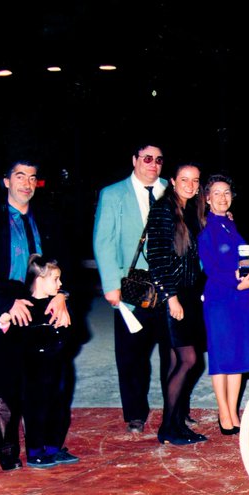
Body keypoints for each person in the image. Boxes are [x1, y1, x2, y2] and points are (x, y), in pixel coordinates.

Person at [0, 160, 73, 470]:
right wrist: (7, 302)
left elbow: (66, 265)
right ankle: (9, 454)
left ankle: (46, 448)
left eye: (32, 177)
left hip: (44, 309)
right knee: (6, 387)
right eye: (19, 176)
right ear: (6, 181)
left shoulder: (48, 218)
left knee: (51, 386)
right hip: (5, 307)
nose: (26, 183)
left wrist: (63, 297)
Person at [93, 143, 172, 434]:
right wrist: (111, 286)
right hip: (131, 288)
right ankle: (135, 414)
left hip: (167, 288)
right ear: (135, 160)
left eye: (159, 160)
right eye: (147, 159)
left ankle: (176, 410)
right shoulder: (112, 194)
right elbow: (103, 241)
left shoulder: (171, 189)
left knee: (174, 354)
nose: (153, 164)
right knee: (131, 356)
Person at [145, 163, 207, 445]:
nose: (191, 185)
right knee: (189, 360)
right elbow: (157, 258)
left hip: (190, 295)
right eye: (185, 179)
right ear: (172, 181)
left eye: (195, 180)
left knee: (176, 361)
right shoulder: (163, 210)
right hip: (173, 296)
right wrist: (171, 297)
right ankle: (168, 427)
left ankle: (176, 423)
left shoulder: (191, 211)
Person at [0, 256, 75, 468]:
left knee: (58, 408)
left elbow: (73, 334)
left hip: (57, 365)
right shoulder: (24, 306)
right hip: (34, 369)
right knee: (36, 410)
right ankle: (35, 451)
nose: (60, 285)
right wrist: (4, 322)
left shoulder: (57, 304)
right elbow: (11, 335)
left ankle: (53, 447)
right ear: (40, 279)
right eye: (56, 279)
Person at [197, 174, 249, 435]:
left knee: (238, 356)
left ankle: (233, 411)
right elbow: (210, 268)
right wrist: (236, 283)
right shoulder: (205, 227)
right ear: (207, 198)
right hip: (220, 298)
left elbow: (240, 258)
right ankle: (223, 412)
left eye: (227, 193)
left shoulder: (230, 224)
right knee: (222, 357)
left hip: (241, 298)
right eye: (217, 193)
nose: (223, 198)